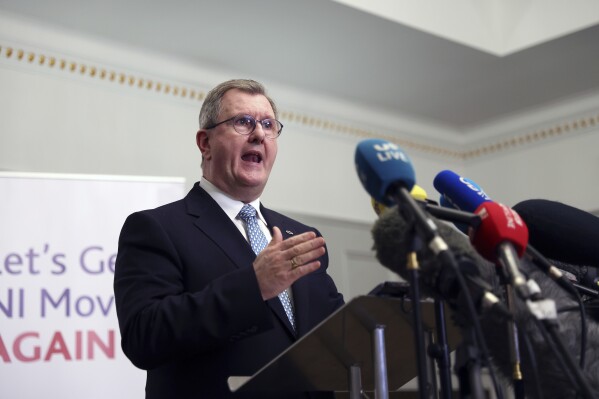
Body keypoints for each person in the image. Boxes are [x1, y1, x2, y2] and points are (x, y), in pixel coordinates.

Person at [114, 79, 345, 399]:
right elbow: (144, 337)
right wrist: (254, 285)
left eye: (268, 124)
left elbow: (339, 336)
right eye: (243, 122)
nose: (259, 134)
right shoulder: (157, 228)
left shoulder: (301, 237)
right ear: (205, 143)